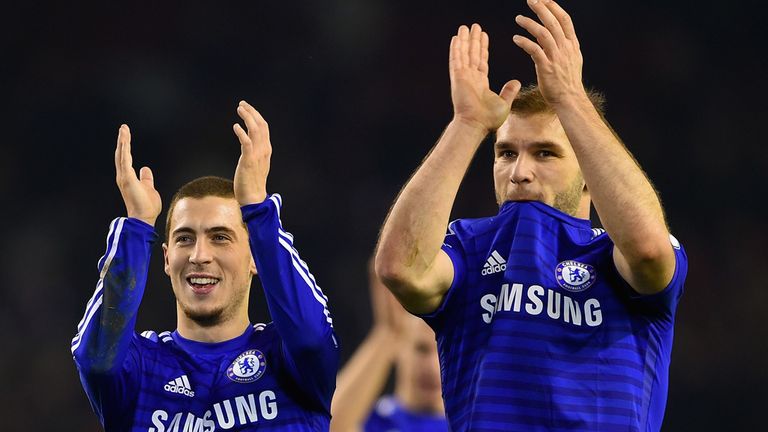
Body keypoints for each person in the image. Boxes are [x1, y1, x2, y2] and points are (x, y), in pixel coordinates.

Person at [374, 1, 687, 431]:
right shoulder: (469, 249)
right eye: (505, 153)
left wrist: (572, 100)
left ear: (588, 176)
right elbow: (399, 269)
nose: (520, 172)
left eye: (545, 153)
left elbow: (650, 252)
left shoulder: (613, 257)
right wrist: (467, 124)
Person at [71, 101, 339, 431]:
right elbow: (96, 361)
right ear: (167, 259)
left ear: (256, 257)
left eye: (220, 237)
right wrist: (138, 226)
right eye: (184, 239)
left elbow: (313, 338)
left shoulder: (287, 360)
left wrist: (259, 211)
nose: (199, 255)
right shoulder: (142, 368)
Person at [329, 262, 447, 432]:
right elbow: (326, 427)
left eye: (444, 352)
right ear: (400, 347)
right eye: (421, 349)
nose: (433, 367)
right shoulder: (372, 420)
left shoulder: (473, 422)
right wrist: (388, 333)